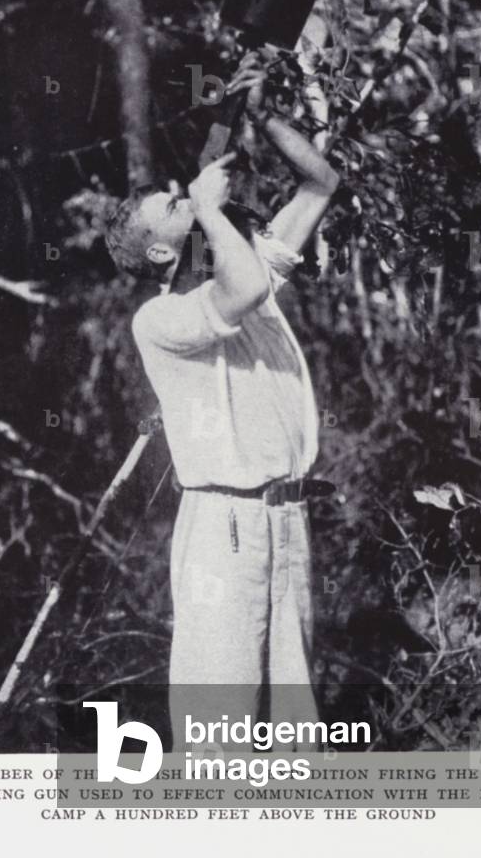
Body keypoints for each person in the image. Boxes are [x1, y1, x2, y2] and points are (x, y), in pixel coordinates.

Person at [105, 52, 339, 750]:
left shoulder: (239, 279)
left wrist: (263, 113)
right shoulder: (161, 320)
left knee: (296, 737)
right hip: (222, 530)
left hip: (286, 518)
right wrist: (208, 208)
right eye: (172, 206)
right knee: (218, 739)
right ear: (154, 254)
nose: (188, 195)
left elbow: (321, 183)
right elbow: (238, 289)